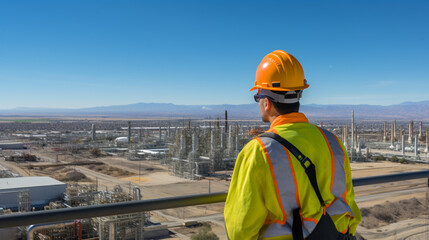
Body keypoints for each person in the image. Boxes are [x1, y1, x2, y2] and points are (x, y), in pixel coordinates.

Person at [224, 50, 361, 240]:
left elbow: (239, 230)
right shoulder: (333, 142)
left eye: (257, 97)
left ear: (266, 103)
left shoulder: (258, 152)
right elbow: (349, 205)